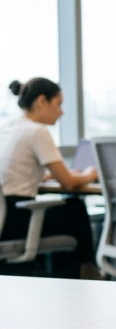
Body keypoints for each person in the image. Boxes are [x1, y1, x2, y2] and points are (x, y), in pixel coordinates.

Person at [0, 78, 97, 278]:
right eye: (58, 104)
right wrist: (91, 174)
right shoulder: (37, 130)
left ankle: (81, 274)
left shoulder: (8, 127)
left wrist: (44, 176)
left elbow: (14, 170)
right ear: (42, 101)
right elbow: (68, 182)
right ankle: (85, 275)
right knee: (75, 209)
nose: (61, 112)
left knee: (67, 211)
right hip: (16, 218)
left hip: (5, 215)